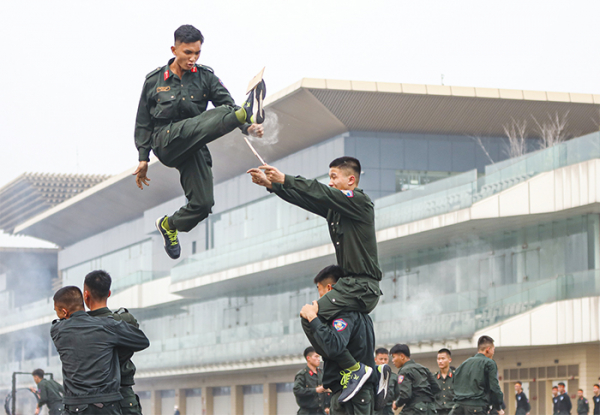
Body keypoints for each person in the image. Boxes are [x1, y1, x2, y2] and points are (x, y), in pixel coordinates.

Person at [248, 156, 382, 401]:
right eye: (329, 177)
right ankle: (372, 374)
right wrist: (272, 185)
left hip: (361, 286)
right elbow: (308, 199)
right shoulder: (336, 208)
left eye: (334, 177)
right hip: (351, 287)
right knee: (321, 323)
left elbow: (320, 192)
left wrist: (286, 178)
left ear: (351, 180)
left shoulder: (360, 202)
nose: (329, 182)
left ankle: (356, 370)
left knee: (310, 314)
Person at [134, 24, 266, 259]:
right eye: (188, 53)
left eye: (197, 53)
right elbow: (143, 121)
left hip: (194, 142)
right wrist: (143, 158)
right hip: (166, 141)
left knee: (203, 204)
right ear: (174, 49)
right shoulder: (154, 80)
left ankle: (169, 225)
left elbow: (227, 104)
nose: (193, 58)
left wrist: (248, 128)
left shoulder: (205, 77)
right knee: (212, 117)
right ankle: (244, 114)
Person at [51, 286, 150, 414]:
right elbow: (142, 341)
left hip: (74, 406)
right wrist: (113, 355)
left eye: (56, 311)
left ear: (64, 312)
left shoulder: (57, 331)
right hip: (106, 404)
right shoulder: (107, 326)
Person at [300, 265, 377, 414]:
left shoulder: (344, 314)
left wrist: (312, 318)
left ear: (329, 288)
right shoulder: (362, 313)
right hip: (356, 393)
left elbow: (334, 346)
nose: (319, 296)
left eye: (319, 289)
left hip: (351, 394)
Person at [83, 270, 143, 415]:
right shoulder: (125, 321)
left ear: (86, 295)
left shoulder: (78, 327)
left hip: (88, 400)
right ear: (109, 293)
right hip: (122, 395)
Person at [452, 335, 504, 415]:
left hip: (458, 407)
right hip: (476, 407)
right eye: (493, 350)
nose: (493, 352)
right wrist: (498, 407)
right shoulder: (489, 363)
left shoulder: (464, 363)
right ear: (488, 350)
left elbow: (453, 383)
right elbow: (494, 388)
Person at [389, 344, 440, 415]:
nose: (392, 360)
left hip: (415, 408)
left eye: (394, 357)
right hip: (430, 409)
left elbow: (405, 394)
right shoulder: (423, 368)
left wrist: (396, 404)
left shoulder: (404, 371)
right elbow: (436, 387)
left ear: (402, 356)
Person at [294, 346, 327, 415]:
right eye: (316, 356)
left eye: (319, 357)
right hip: (307, 412)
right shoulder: (302, 375)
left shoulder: (322, 373)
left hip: (321, 412)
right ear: (308, 358)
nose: (318, 359)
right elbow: (297, 390)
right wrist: (315, 390)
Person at [374, 347, 399, 415]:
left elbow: (397, 393)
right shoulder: (371, 375)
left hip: (388, 410)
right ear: (375, 359)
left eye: (385, 359)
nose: (383, 361)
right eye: (381, 359)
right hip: (374, 410)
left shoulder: (393, 376)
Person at [434, 348, 455, 415]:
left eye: (443, 358)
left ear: (449, 360)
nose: (440, 361)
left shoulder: (456, 377)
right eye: (438, 359)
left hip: (453, 411)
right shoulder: (433, 378)